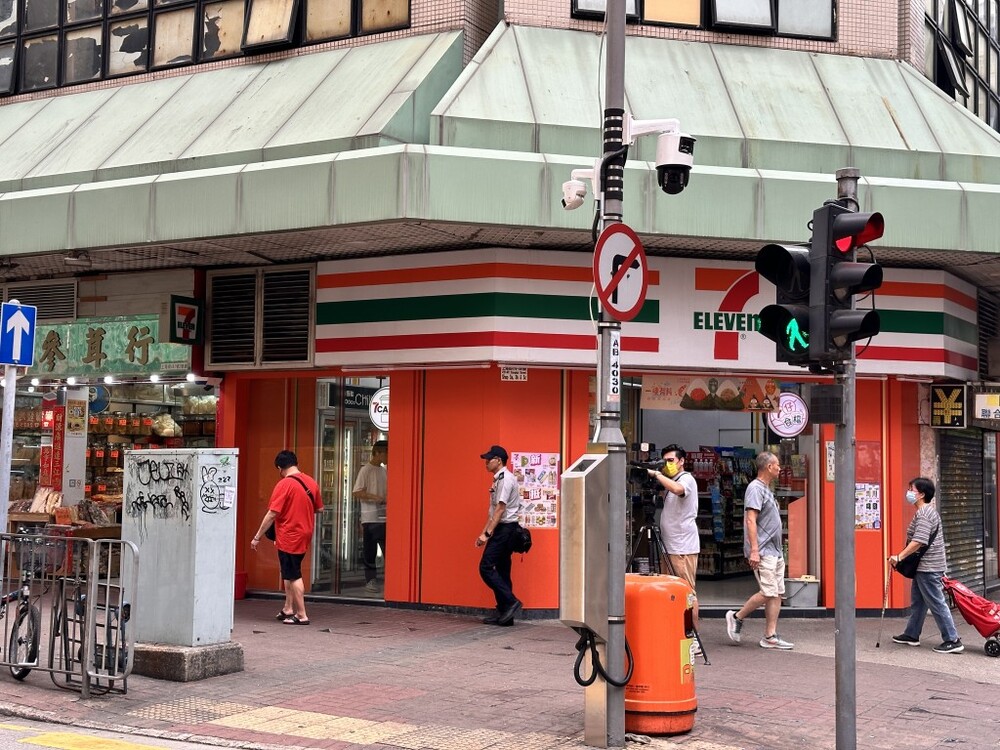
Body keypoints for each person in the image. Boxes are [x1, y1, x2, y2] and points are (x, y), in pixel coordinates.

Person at [726, 451, 793, 650]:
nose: (780, 468)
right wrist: (754, 550)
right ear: (769, 467)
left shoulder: (766, 489)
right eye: (777, 465)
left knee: (777, 593)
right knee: (768, 591)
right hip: (764, 550)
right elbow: (750, 519)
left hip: (775, 550)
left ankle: (770, 636)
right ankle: (736, 617)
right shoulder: (755, 488)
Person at [889, 477, 964, 654]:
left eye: (911, 489)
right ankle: (912, 634)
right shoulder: (927, 512)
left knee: (936, 602)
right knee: (919, 602)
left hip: (929, 567)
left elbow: (919, 541)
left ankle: (952, 639)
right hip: (925, 567)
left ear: (921, 494)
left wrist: (899, 557)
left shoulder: (924, 513)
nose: (908, 492)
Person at [250, 450, 323, 625]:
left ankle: (302, 615)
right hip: (305, 532)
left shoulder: (284, 485)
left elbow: (272, 514)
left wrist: (257, 536)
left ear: (279, 468)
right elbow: (320, 509)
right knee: (288, 571)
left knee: (294, 574)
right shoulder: (311, 482)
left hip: (289, 535)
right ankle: (288, 608)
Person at [647, 444, 700, 627]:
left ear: (681, 461)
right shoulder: (671, 481)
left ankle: (692, 635)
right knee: (670, 591)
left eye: (671, 460)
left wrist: (657, 474)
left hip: (682, 548)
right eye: (665, 461)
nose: (668, 464)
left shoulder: (686, 479)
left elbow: (679, 489)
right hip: (670, 546)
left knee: (686, 592)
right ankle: (674, 631)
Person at [476, 444, 522, 626]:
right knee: (502, 570)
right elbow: (493, 511)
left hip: (506, 529)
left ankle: (511, 602)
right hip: (504, 529)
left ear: (499, 460)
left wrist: (487, 534)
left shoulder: (505, 479)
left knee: (486, 567)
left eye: (489, 459)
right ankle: (505, 614)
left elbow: (500, 509)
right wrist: (484, 532)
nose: (486, 462)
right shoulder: (499, 479)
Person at [353, 440, 388, 593]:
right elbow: (357, 492)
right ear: (378, 453)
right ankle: (370, 580)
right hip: (370, 518)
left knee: (388, 551)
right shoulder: (365, 470)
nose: (388, 457)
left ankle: (390, 579)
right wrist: (376, 498)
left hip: (385, 517)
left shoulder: (384, 471)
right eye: (386, 454)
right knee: (370, 552)